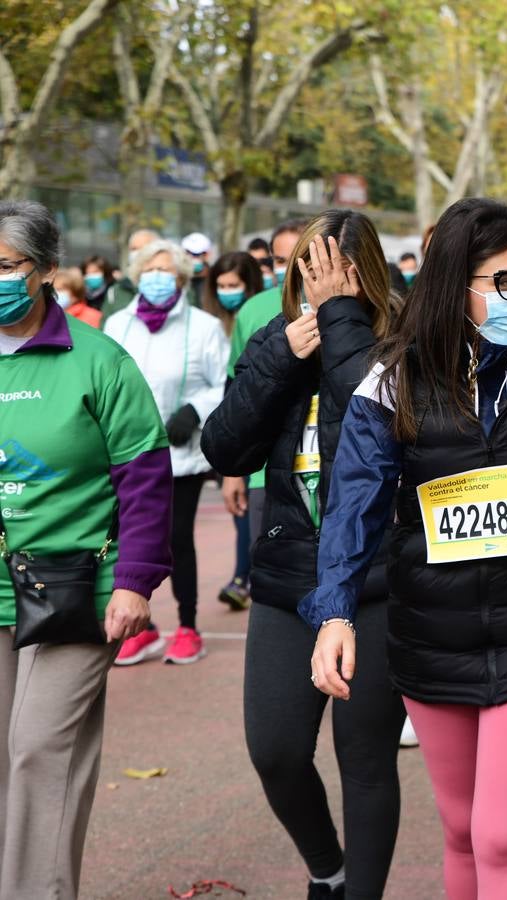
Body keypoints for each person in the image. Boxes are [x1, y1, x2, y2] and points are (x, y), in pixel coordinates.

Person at [305, 198, 507, 899]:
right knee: (460, 831)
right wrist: (334, 612)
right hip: (433, 636)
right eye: (505, 282)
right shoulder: (391, 379)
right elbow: (353, 505)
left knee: (502, 835)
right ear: (456, 286)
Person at [203, 211, 404, 900]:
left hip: (380, 582)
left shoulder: (403, 341)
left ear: (362, 273)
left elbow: (380, 429)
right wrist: (275, 361)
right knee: (277, 752)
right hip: (291, 576)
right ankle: (329, 869)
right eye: (302, 273)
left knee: (366, 759)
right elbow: (225, 449)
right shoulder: (281, 338)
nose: (313, 286)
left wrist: (344, 321)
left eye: (330, 272)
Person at [0, 200, 172, 897]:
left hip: (80, 586)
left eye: (6, 266)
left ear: (44, 271)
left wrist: (134, 579)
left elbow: (145, 473)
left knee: (41, 751)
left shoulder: (98, 359)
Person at [105, 238, 229, 666]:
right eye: (150, 271)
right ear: (138, 276)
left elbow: (222, 384)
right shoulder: (117, 325)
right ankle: (145, 629)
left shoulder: (203, 326)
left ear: (181, 278)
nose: (158, 279)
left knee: (176, 541)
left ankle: (188, 626)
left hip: (181, 455)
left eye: (168, 272)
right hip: (126, 457)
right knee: (128, 540)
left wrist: (195, 410)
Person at [228, 218, 307, 564]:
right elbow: (235, 392)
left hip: (330, 469)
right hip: (264, 471)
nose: (287, 269)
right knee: (271, 571)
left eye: (298, 257)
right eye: (278, 260)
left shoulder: (347, 306)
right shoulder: (253, 310)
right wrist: (232, 472)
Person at [204, 251, 265, 612]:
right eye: (222, 286)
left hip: (246, 433)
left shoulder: (258, 313)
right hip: (223, 430)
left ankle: (244, 575)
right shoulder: (219, 322)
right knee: (240, 506)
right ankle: (242, 575)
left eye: (234, 285)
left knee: (249, 512)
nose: (228, 292)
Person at [101, 228, 160, 325]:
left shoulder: (167, 288)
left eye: (143, 248)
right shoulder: (116, 291)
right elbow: (105, 327)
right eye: (133, 249)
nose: (137, 253)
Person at [182, 232, 213, 306]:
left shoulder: (215, 280)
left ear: (206, 255)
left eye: (197, 254)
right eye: (189, 253)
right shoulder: (179, 281)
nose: (193, 258)